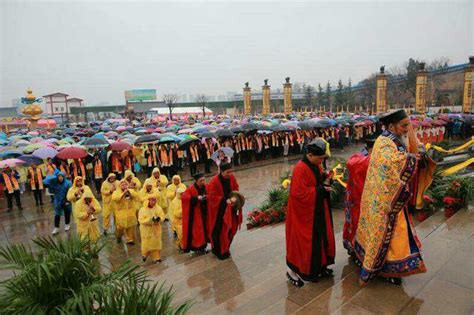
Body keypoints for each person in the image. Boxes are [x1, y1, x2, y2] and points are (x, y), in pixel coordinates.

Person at [354, 109, 427, 286]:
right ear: (391, 126)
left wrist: (414, 155)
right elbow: (390, 161)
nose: (406, 129)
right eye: (403, 126)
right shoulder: (384, 142)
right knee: (391, 233)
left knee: (392, 232)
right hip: (384, 199)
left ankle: (389, 266)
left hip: (389, 195)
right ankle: (389, 268)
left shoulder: (393, 139)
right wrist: (410, 159)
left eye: (407, 125)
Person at [285, 138, 335, 287]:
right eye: (319, 158)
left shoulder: (315, 165)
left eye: (322, 158)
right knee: (305, 242)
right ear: (310, 155)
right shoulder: (300, 168)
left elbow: (318, 181)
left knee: (322, 238)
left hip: (317, 209)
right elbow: (298, 194)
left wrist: (326, 179)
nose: (321, 162)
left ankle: (320, 266)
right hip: (304, 214)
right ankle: (300, 270)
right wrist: (320, 190)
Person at [342, 138, 375, 256]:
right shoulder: (359, 159)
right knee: (356, 224)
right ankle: (356, 249)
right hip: (357, 198)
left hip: (361, 198)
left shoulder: (363, 157)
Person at [207, 163, 241, 260]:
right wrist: (224, 201)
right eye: (228, 172)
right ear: (221, 172)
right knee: (219, 231)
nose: (230, 174)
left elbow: (236, 189)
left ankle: (226, 248)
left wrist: (235, 199)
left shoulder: (232, 178)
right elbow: (212, 197)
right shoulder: (214, 181)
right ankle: (218, 251)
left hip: (231, 208)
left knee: (231, 229)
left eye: (231, 171)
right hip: (219, 211)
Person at [181, 173, 208, 253]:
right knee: (198, 232)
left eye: (204, 180)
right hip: (196, 213)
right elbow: (184, 197)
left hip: (204, 211)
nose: (203, 182)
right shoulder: (191, 189)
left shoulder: (206, 187)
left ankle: (204, 246)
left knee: (205, 230)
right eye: (201, 180)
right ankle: (199, 247)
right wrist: (196, 198)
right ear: (196, 181)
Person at [138, 194, 165, 263]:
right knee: (147, 243)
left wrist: (159, 219)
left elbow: (162, 216)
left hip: (156, 228)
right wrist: (150, 220)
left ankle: (157, 257)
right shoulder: (142, 209)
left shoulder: (158, 208)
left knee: (156, 242)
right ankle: (145, 254)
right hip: (146, 230)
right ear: (148, 200)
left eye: (155, 200)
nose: (154, 201)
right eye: (152, 200)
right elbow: (141, 220)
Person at [43, 170, 72, 235]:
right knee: (57, 214)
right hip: (58, 201)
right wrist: (49, 186)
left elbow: (71, 192)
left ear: (63, 176)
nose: (60, 178)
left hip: (66, 200)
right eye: (59, 177)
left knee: (67, 212)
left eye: (61, 176)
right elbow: (51, 192)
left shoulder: (68, 183)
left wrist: (68, 201)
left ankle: (67, 224)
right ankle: (56, 227)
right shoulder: (55, 184)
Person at [112, 179, 139, 244]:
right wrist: (123, 194)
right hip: (120, 212)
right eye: (122, 185)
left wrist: (129, 192)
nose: (124, 186)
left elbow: (136, 196)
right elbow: (115, 198)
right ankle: (119, 236)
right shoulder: (116, 192)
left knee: (130, 226)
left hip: (130, 212)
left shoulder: (130, 191)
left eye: (125, 184)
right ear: (119, 186)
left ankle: (130, 239)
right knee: (120, 227)